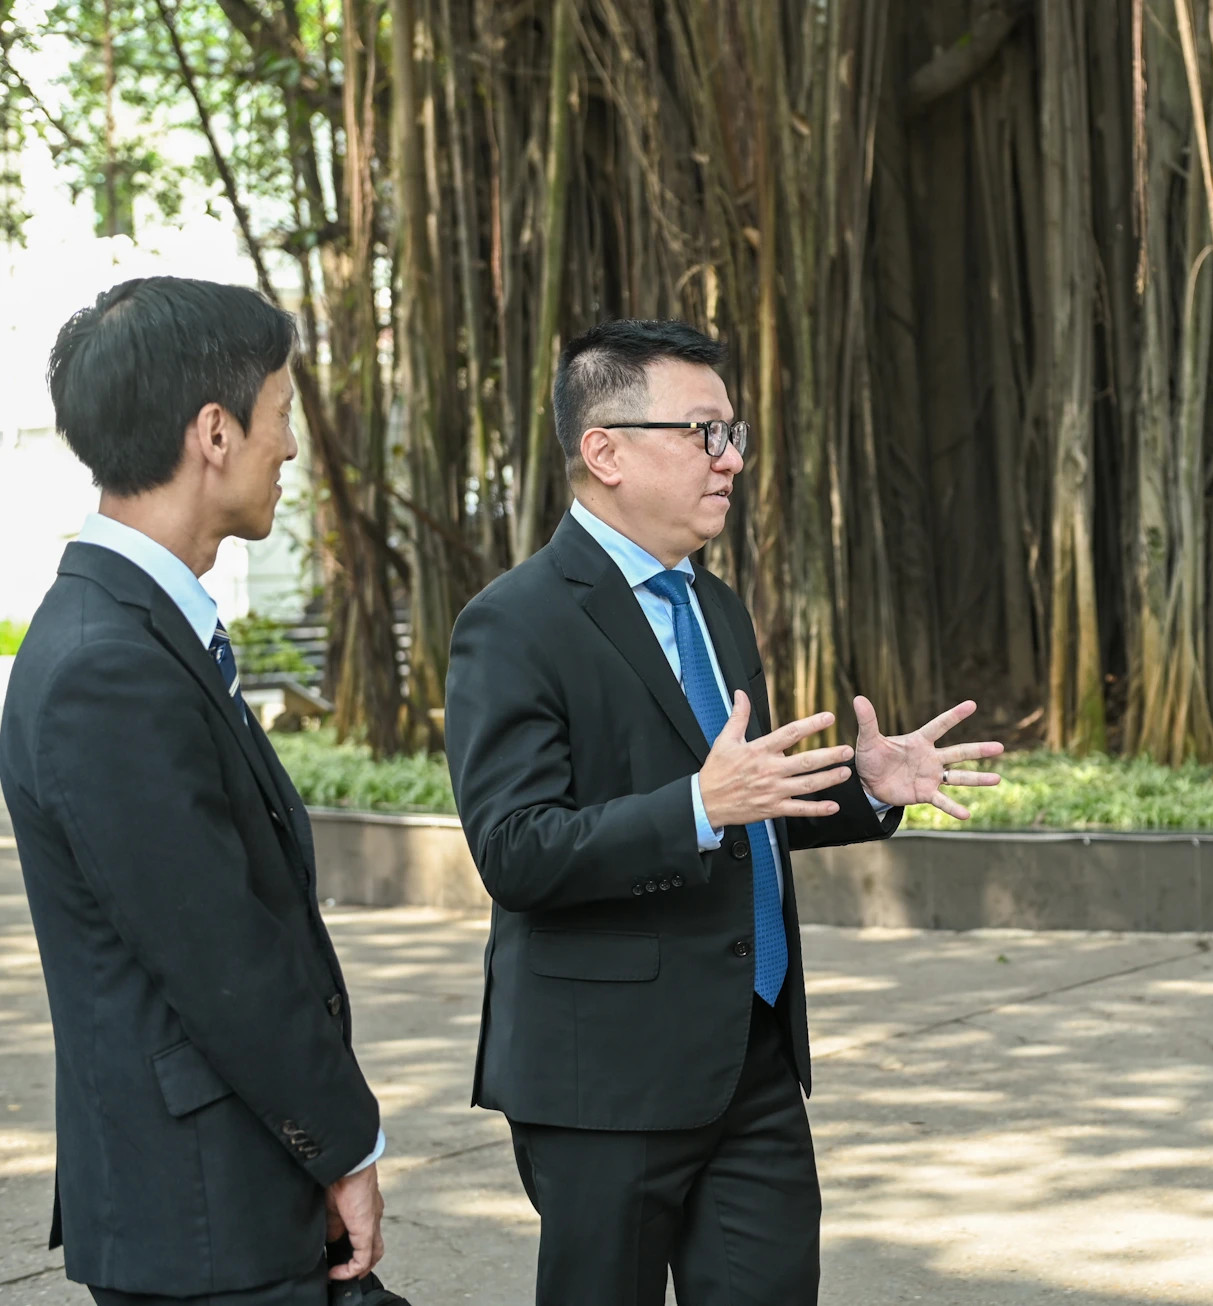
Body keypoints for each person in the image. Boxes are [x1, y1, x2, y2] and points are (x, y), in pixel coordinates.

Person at [443, 318, 1004, 1306]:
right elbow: (516, 851)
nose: (732, 457)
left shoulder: (716, 605)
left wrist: (866, 785)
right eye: (704, 433)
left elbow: (749, 801)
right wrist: (697, 805)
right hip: (605, 1079)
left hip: (750, 1057)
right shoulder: (514, 621)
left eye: (733, 431)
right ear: (604, 451)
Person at [0, 278, 390, 1304]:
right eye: (281, 416)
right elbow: (221, 957)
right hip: (203, 1216)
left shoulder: (137, 632)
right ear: (214, 431)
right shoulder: (106, 665)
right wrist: (345, 1145)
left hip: (221, 1198)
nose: (292, 449)